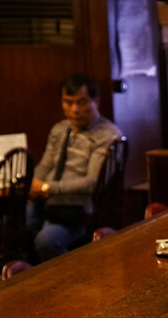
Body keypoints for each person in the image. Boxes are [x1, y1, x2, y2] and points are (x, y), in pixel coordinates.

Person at [27, 73, 123, 262]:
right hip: (47, 203)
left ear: (96, 102)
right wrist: (32, 185)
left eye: (82, 102)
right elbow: (45, 165)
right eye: (68, 102)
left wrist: (46, 188)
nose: (75, 109)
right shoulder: (60, 128)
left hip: (79, 211)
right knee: (0, 232)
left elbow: (92, 183)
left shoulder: (107, 135)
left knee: (46, 241)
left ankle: (76, 275)